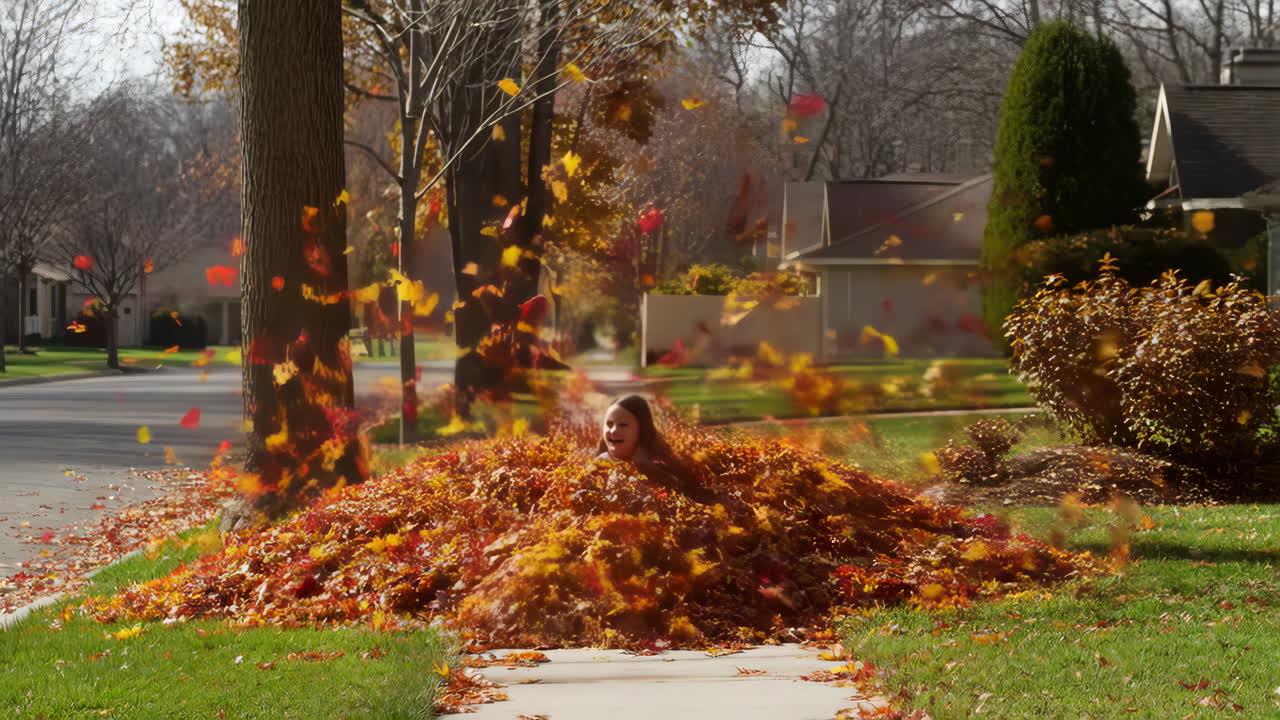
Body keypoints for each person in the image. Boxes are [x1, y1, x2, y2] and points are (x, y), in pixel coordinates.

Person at [595, 395, 716, 504]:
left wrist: (643, 467)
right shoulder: (598, 466)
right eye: (609, 424)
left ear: (641, 430)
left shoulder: (660, 466)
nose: (613, 431)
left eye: (623, 425)